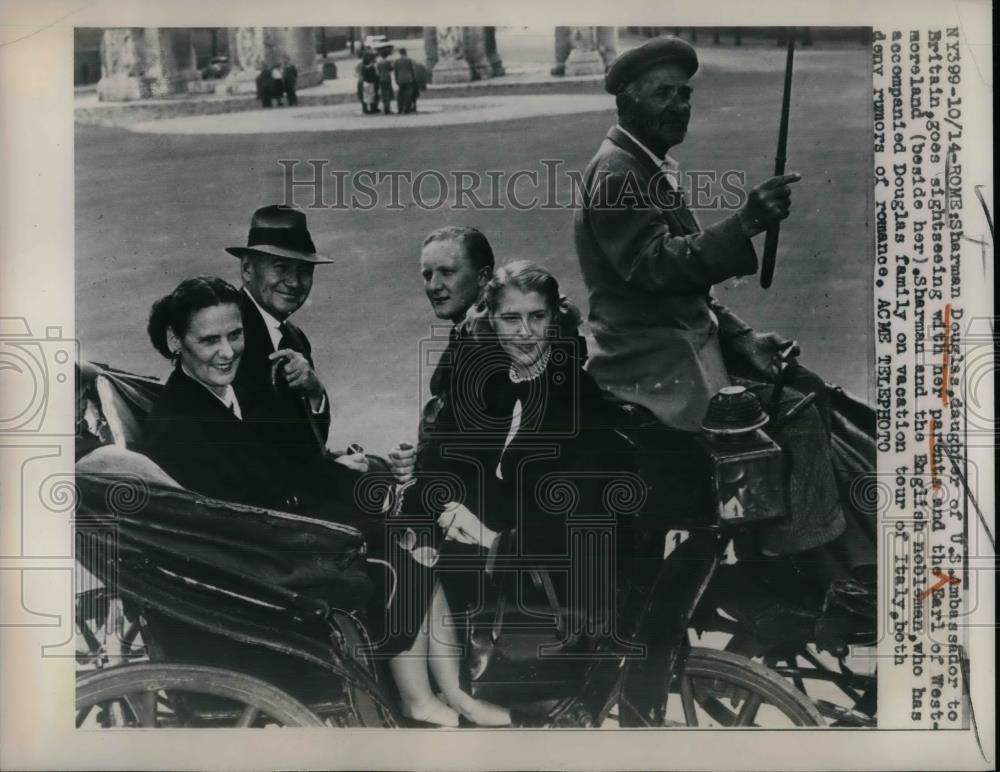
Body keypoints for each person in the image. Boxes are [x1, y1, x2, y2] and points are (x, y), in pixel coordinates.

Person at [574, 35, 846, 584]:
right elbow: (656, 267)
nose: (679, 106)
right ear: (627, 101)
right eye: (663, 94)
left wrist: (743, 337)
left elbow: (688, 292)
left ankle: (808, 550)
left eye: (685, 95)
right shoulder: (619, 173)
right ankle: (799, 572)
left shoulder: (642, 164)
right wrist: (745, 223)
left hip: (676, 347)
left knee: (806, 386)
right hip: (651, 363)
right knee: (796, 414)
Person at [386, 261, 636, 727]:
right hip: (488, 537)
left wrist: (490, 537)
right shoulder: (492, 380)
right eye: (510, 318)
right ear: (492, 320)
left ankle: (448, 698)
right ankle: (435, 697)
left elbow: (580, 504)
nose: (525, 332)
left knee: (404, 557)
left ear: (553, 319)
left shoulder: (574, 392)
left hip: (539, 562)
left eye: (537, 317)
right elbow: (445, 459)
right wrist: (437, 500)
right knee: (401, 533)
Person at [142, 276, 362, 516]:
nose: (228, 353)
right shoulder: (174, 432)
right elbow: (247, 521)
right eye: (210, 340)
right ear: (175, 340)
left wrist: (377, 493)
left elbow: (299, 462)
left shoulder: (244, 388)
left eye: (235, 335)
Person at [226, 204, 414, 479]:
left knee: (384, 470)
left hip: (296, 480)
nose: (294, 282)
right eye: (281, 267)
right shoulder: (229, 331)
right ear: (247, 269)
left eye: (304, 270)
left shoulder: (294, 338)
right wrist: (332, 471)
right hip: (260, 489)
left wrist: (315, 392)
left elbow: (313, 440)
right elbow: (254, 448)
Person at [393, 47, 417, 114]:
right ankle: (407, 109)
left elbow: (395, 71)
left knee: (400, 95)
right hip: (409, 79)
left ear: (400, 53)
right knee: (408, 94)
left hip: (400, 79)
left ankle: (400, 109)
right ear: (405, 52)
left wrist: (396, 79)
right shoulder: (409, 60)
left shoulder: (397, 61)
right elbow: (412, 70)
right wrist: (414, 78)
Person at [357, 50, 379, 115]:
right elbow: (375, 74)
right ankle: (372, 108)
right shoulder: (372, 66)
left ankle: (365, 109)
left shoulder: (361, 65)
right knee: (372, 95)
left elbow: (358, 73)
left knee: (364, 96)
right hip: (370, 82)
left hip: (363, 82)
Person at [376, 46, 394, 115]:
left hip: (381, 78)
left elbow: (378, 70)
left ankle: (385, 108)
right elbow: (391, 68)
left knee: (383, 93)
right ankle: (388, 108)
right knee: (388, 93)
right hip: (387, 78)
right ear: (386, 55)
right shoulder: (387, 62)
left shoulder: (379, 63)